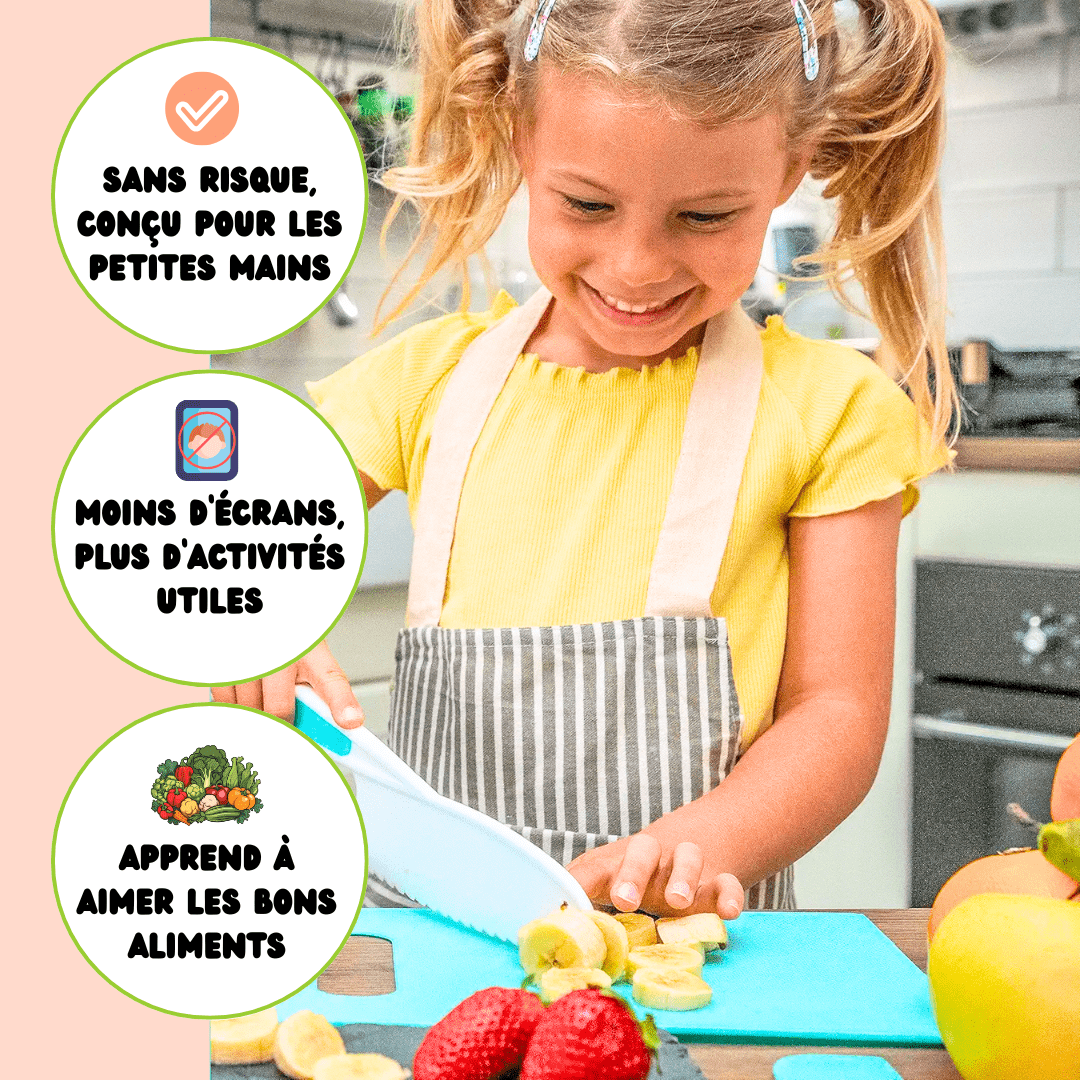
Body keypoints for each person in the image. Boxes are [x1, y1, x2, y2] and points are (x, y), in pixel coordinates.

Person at [214, 0, 957, 919]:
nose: (636, 265)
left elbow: (834, 715)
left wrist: (692, 848)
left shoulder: (834, 412)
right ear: (521, 142)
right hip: (442, 948)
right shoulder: (423, 381)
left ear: (788, 175)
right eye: (588, 205)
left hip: (689, 950)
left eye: (705, 215)